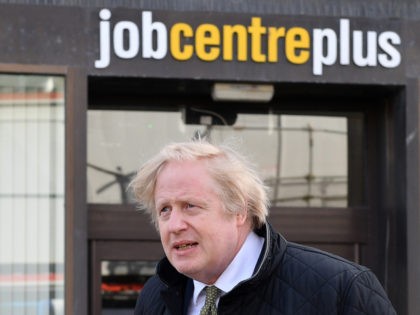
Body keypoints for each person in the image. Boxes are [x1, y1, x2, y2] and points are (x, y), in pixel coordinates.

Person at [130, 141, 396, 315]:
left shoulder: (341, 289)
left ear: (239, 211)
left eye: (190, 206)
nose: (175, 225)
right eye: (165, 210)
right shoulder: (154, 296)